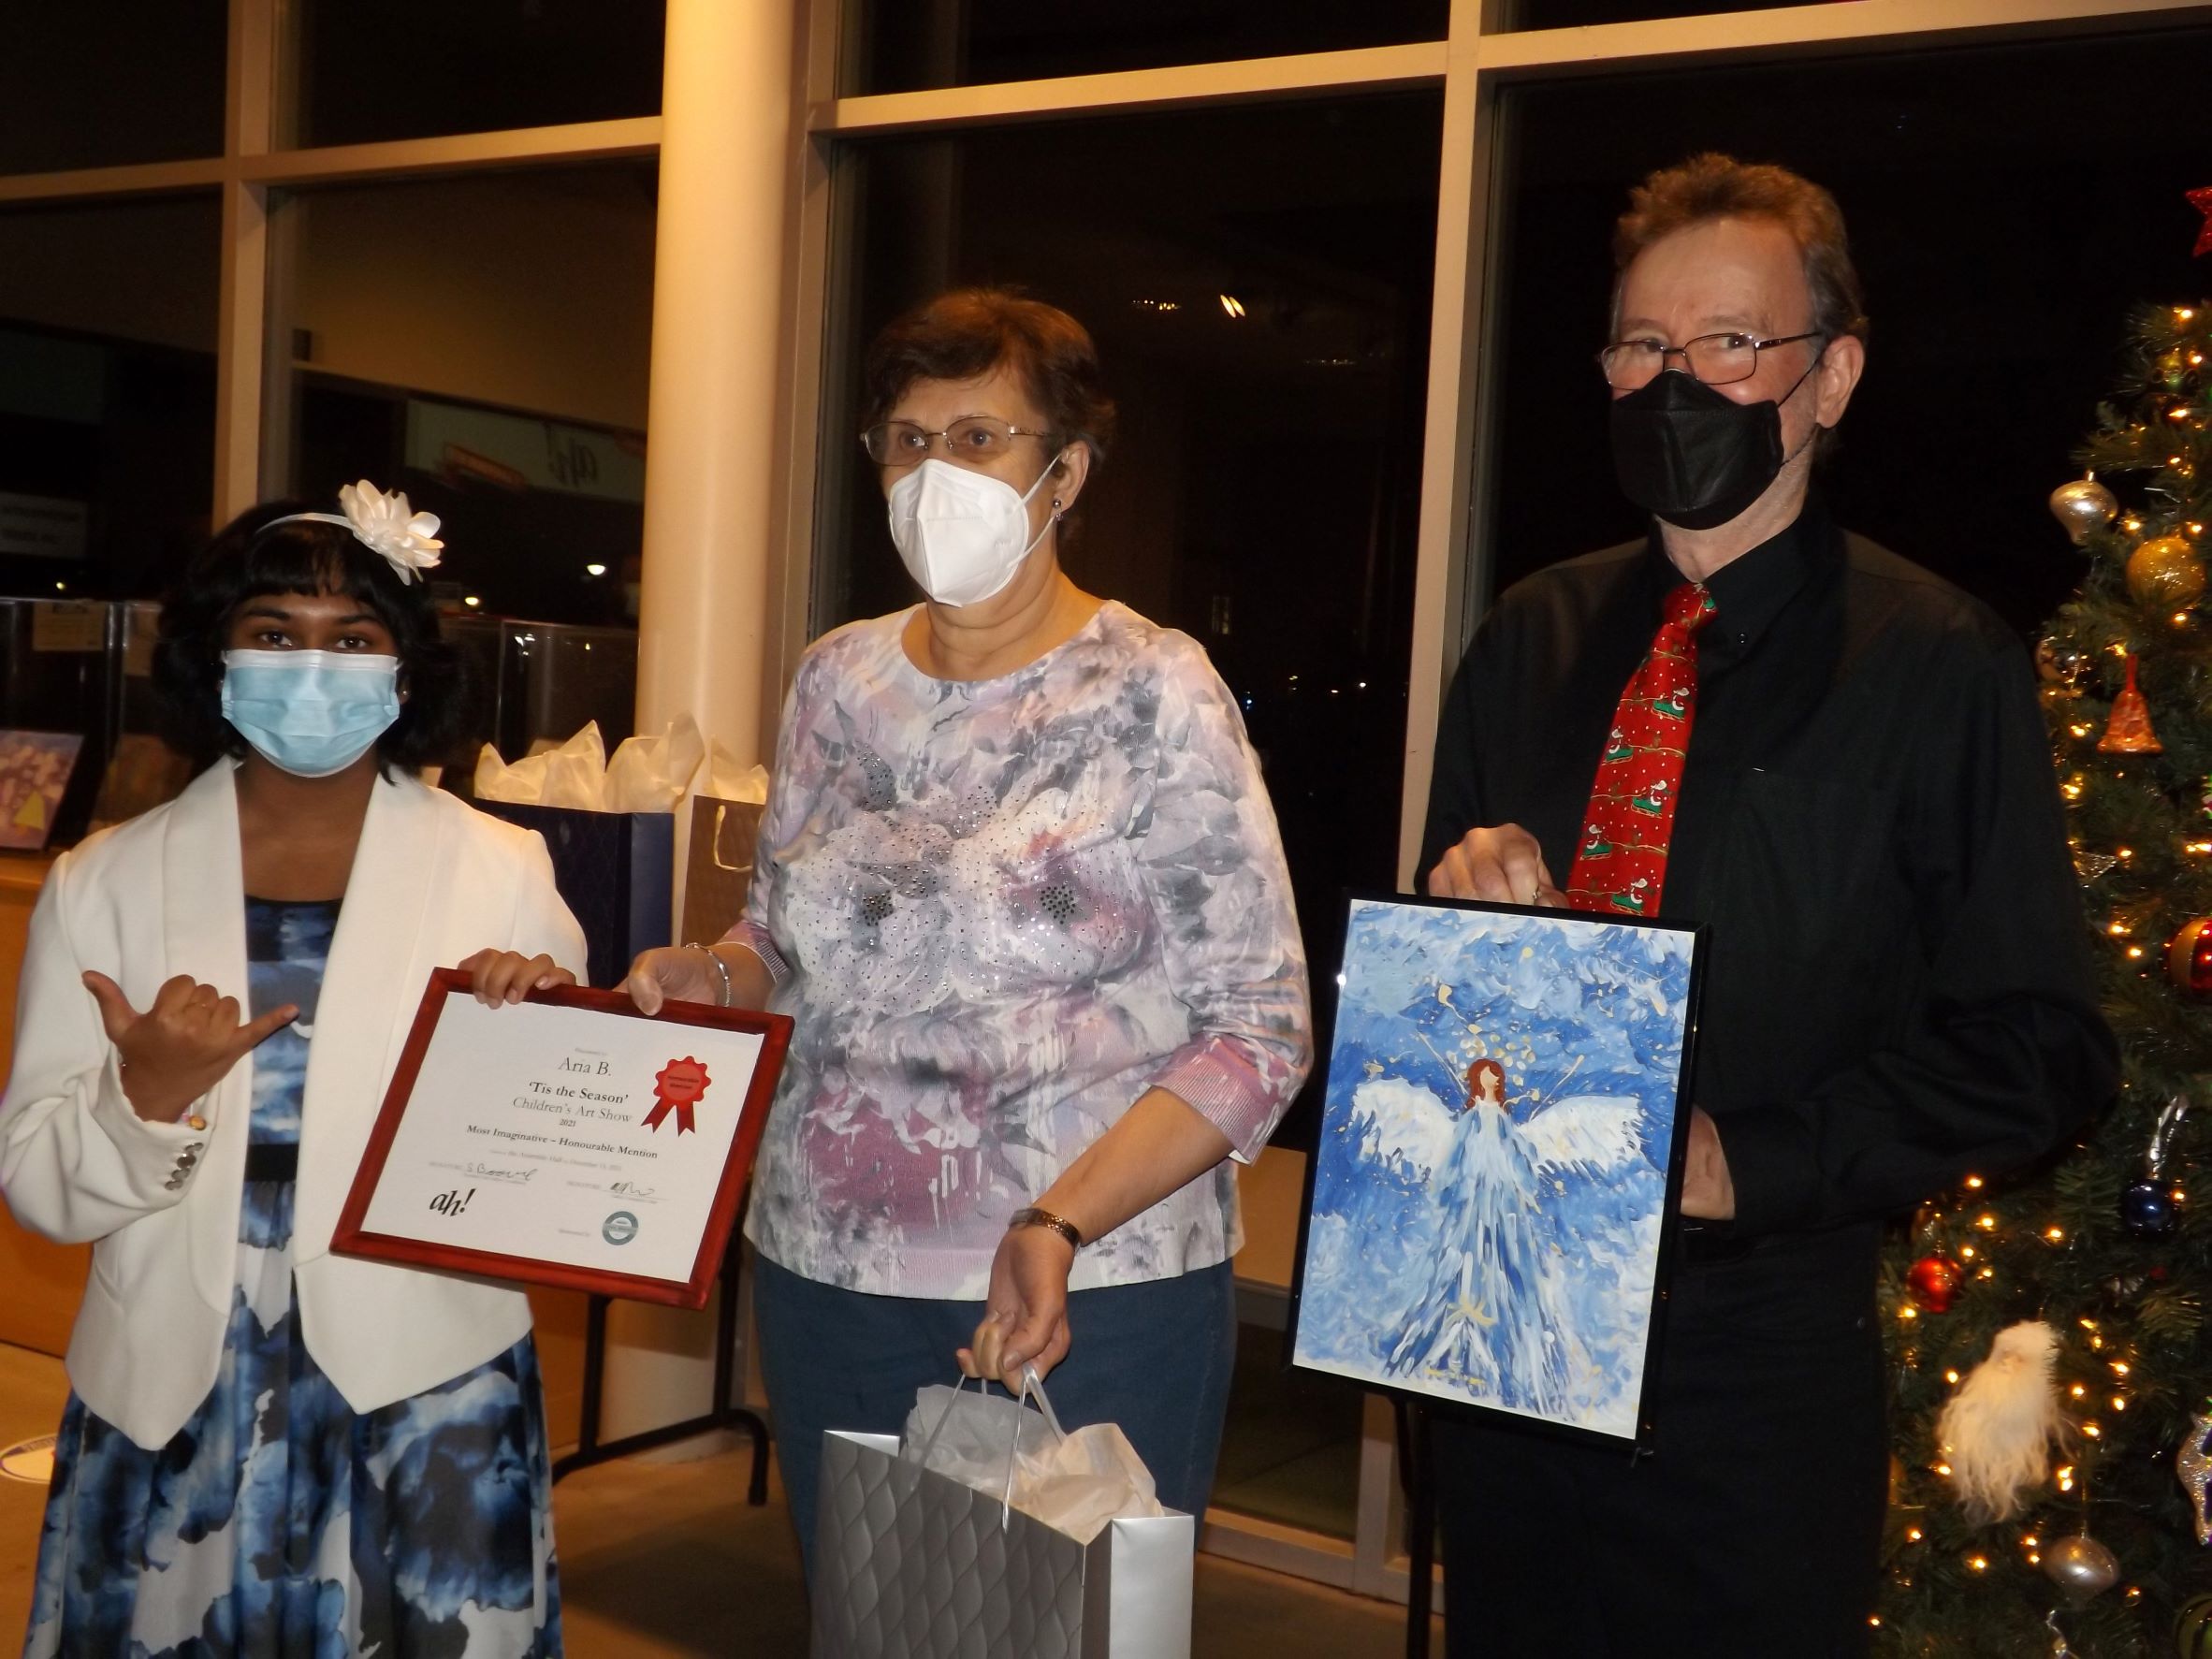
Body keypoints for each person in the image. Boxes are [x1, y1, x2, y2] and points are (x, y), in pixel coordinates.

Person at [1419, 155, 2117, 1654]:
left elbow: (2041, 1046)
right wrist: (1460, 915)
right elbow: (1436, 993)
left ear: (1831, 376)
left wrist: (1753, 1161)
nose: (1677, 383)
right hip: (1504, 1333)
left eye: (1729, 343)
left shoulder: (1940, 664)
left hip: (1754, 1368)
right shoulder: (1531, 635)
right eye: (1643, 345)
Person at [626, 288, 1312, 1571]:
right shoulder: (836, 678)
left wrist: (1058, 1220)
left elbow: (1259, 1033)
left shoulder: (1156, 689)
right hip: (828, 1271)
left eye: (980, 437)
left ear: (1068, 472)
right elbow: (782, 934)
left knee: (1062, 1636)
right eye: (908, 439)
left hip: (1086, 1288)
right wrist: (709, 972)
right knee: (871, 1624)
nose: (935, 471)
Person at [1, 485, 588, 1656]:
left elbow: (558, 1160)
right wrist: (146, 1096)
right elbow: (38, 1188)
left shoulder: (503, 869)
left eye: (352, 639)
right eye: (274, 631)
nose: (312, 667)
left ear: (405, 670)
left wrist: (544, 1037)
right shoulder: (101, 880)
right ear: (215, 655)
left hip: (428, 1377)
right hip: (174, 1379)